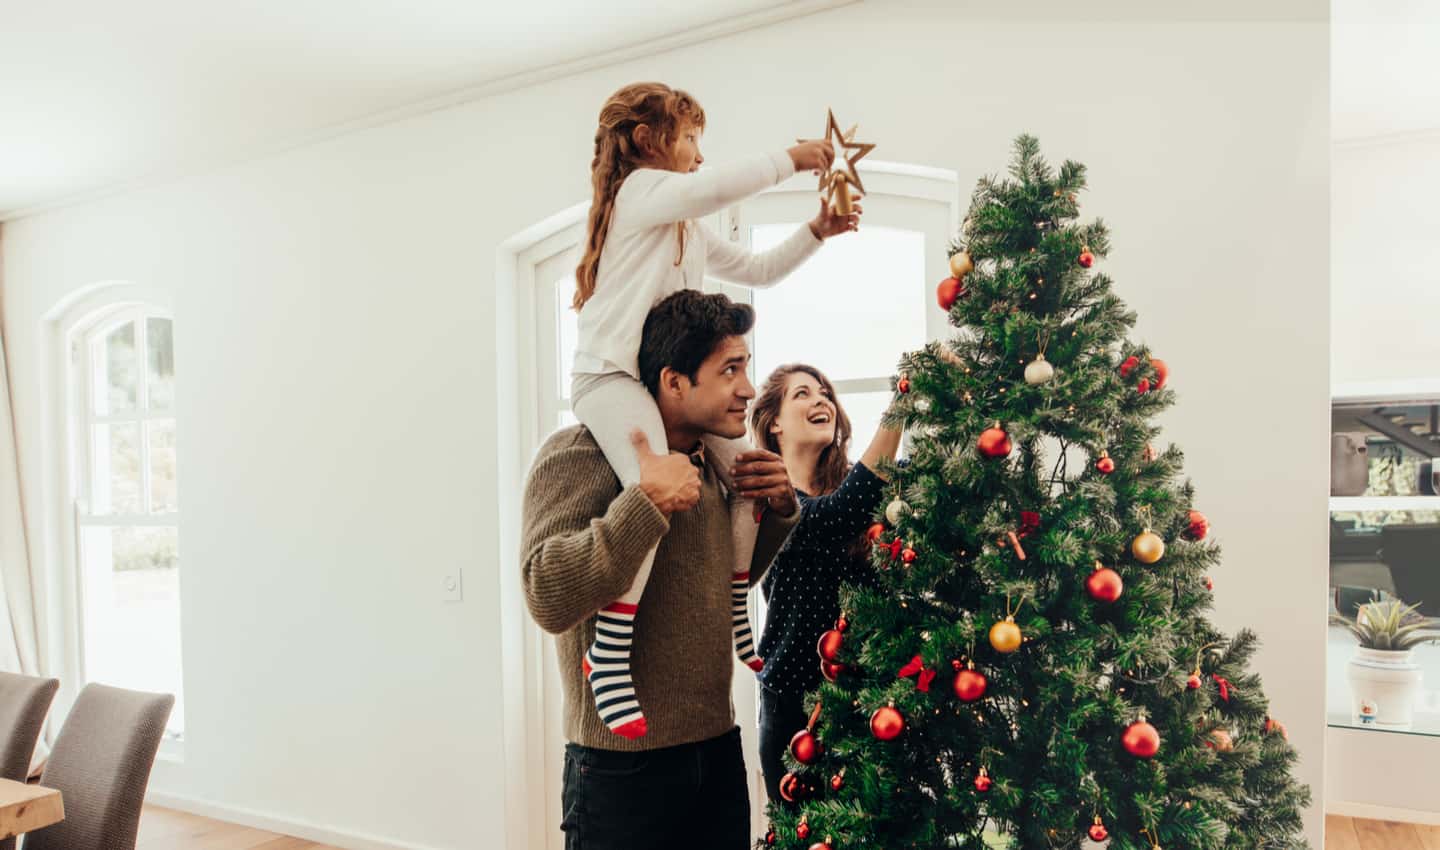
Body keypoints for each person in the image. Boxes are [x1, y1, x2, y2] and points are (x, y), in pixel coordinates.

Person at [570, 81, 858, 737]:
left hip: (658, 383)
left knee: (753, 475)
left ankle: (736, 607)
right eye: (692, 139)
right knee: (660, 483)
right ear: (648, 142)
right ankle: (609, 650)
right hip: (610, 379)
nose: (700, 155)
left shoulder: (687, 230)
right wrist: (793, 158)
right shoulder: (638, 193)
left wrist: (817, 230)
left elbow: (757, 269)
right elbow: (710, 188)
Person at [522, 290, 800, 850]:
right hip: (619, 768)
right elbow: (546, 594)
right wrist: (644, 503)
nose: (748, 387)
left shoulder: (717, 465)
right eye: (730, 370)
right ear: (674, 382)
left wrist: (777, 511)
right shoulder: (580, 453)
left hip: (717, 751)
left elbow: (716, 588)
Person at [748, 363, 902, 802]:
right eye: (802, 394)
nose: (821, 401)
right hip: (794, 710)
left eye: (825, 394)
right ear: (774, 421)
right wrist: (902, 404)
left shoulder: (868, 490)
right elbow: (833, 516)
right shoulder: (768, 498)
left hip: (873, 700)